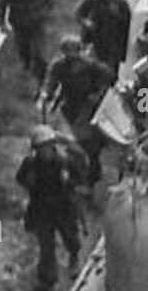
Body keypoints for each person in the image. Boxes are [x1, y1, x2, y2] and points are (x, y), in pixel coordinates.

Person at [16, 124, 89, 291]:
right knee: (46, 249)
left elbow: (80, 178)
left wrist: (68, 181)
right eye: (41, 148)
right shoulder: (31, 164)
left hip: (64, 207)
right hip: (42, 209)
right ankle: (47, 283)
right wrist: (29, 182)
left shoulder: (65, 161)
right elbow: (20, 178)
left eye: (48, 146)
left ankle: (74, 256)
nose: (45, 151)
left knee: (70, 237)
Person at [38, 34, 114, 185]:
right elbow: (50, 80)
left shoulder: (91, 65)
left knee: (91, 144)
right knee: (71, 142)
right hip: (71, 108)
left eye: (74, 52)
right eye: (68, 52)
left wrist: (98, 94)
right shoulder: (58, 65)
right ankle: (75, 173)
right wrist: (45, 93)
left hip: (90, 108)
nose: (72, 56)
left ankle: (93, 173)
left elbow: (108, 78)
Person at [0, 0, 50, 82]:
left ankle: (42, 73)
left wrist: (45, 10)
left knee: (39, 48)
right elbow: (2, 3)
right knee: (23, 47)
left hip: (36, 18)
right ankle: (27, 67)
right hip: (19, 19)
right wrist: (2, 22)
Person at [75, 0, 131, 77]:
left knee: (111, 70)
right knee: (93, 66)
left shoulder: (119, 2)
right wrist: (87, 23)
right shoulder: (91, 0)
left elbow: (126, 20)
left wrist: (116, 14)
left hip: (113, 40)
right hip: (95, 38)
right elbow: (79, 14)